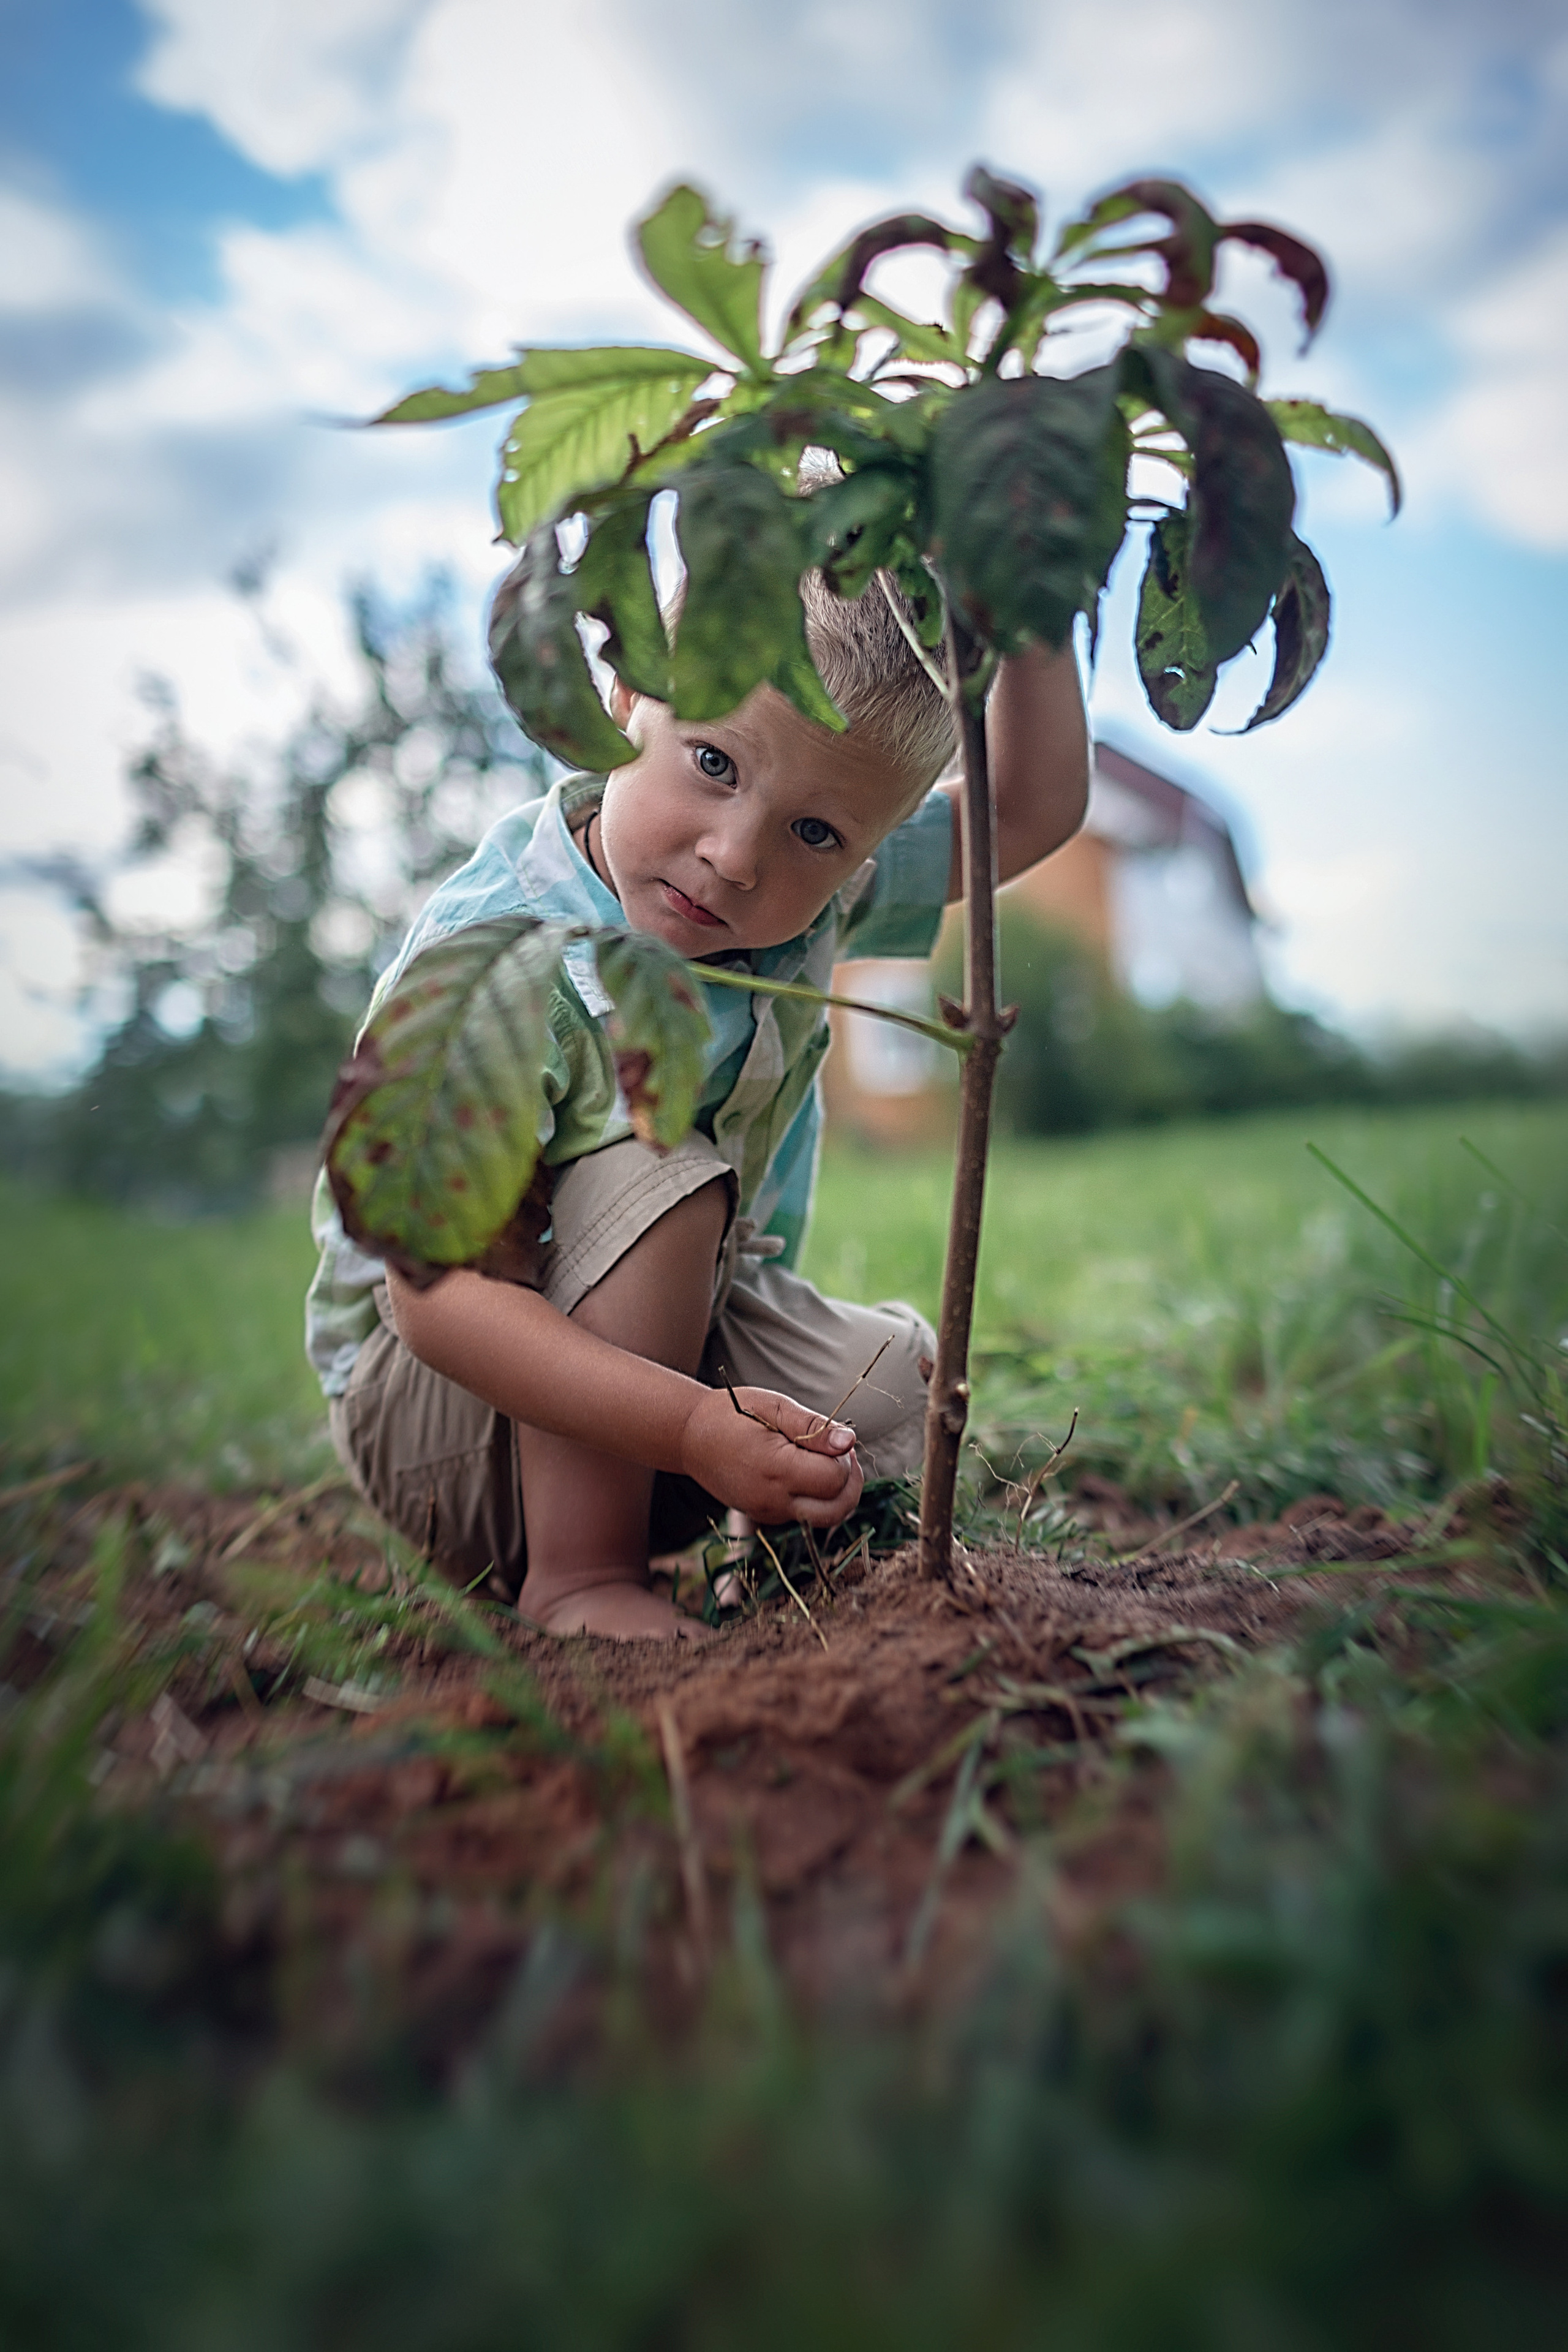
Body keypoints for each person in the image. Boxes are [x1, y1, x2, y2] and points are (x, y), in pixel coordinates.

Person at [306, 542, 1088, 1642]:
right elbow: (434, 1302)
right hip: (445, 1424)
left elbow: (1029, 808)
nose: (735, 858)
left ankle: (729, 1552)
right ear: (627, 691)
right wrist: (687, 1430)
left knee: (895, 1387)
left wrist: (1028, 586)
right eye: (714, 764)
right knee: (654, 1157)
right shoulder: (501, 960)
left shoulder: (817, 899)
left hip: (659, 1376)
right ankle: (580, 1579)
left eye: (817, 832)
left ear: (859, 845)